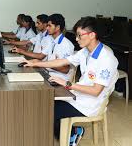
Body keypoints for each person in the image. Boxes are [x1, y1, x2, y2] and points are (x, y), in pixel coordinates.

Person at [23, 17, 119, 145]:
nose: (76, 39)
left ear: (92, 35)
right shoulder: (85, 51)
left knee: (47, 111)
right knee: (46, 103)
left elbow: (96, 91)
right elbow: (62, 61)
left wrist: (68, 84)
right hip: (79, 96)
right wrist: (35, 63)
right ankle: (73, 133)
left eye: (79, 35)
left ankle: (69, 137)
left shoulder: (106, 58)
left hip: (90, 103)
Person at [43, 14, 74, 80]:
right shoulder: (52, 41)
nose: (47, 28)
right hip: (50, 75)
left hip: (60, 79)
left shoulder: (67, 44)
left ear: (57, 27)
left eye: (49, 26)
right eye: (47, 26)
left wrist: (45, 64)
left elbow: (65, 69)